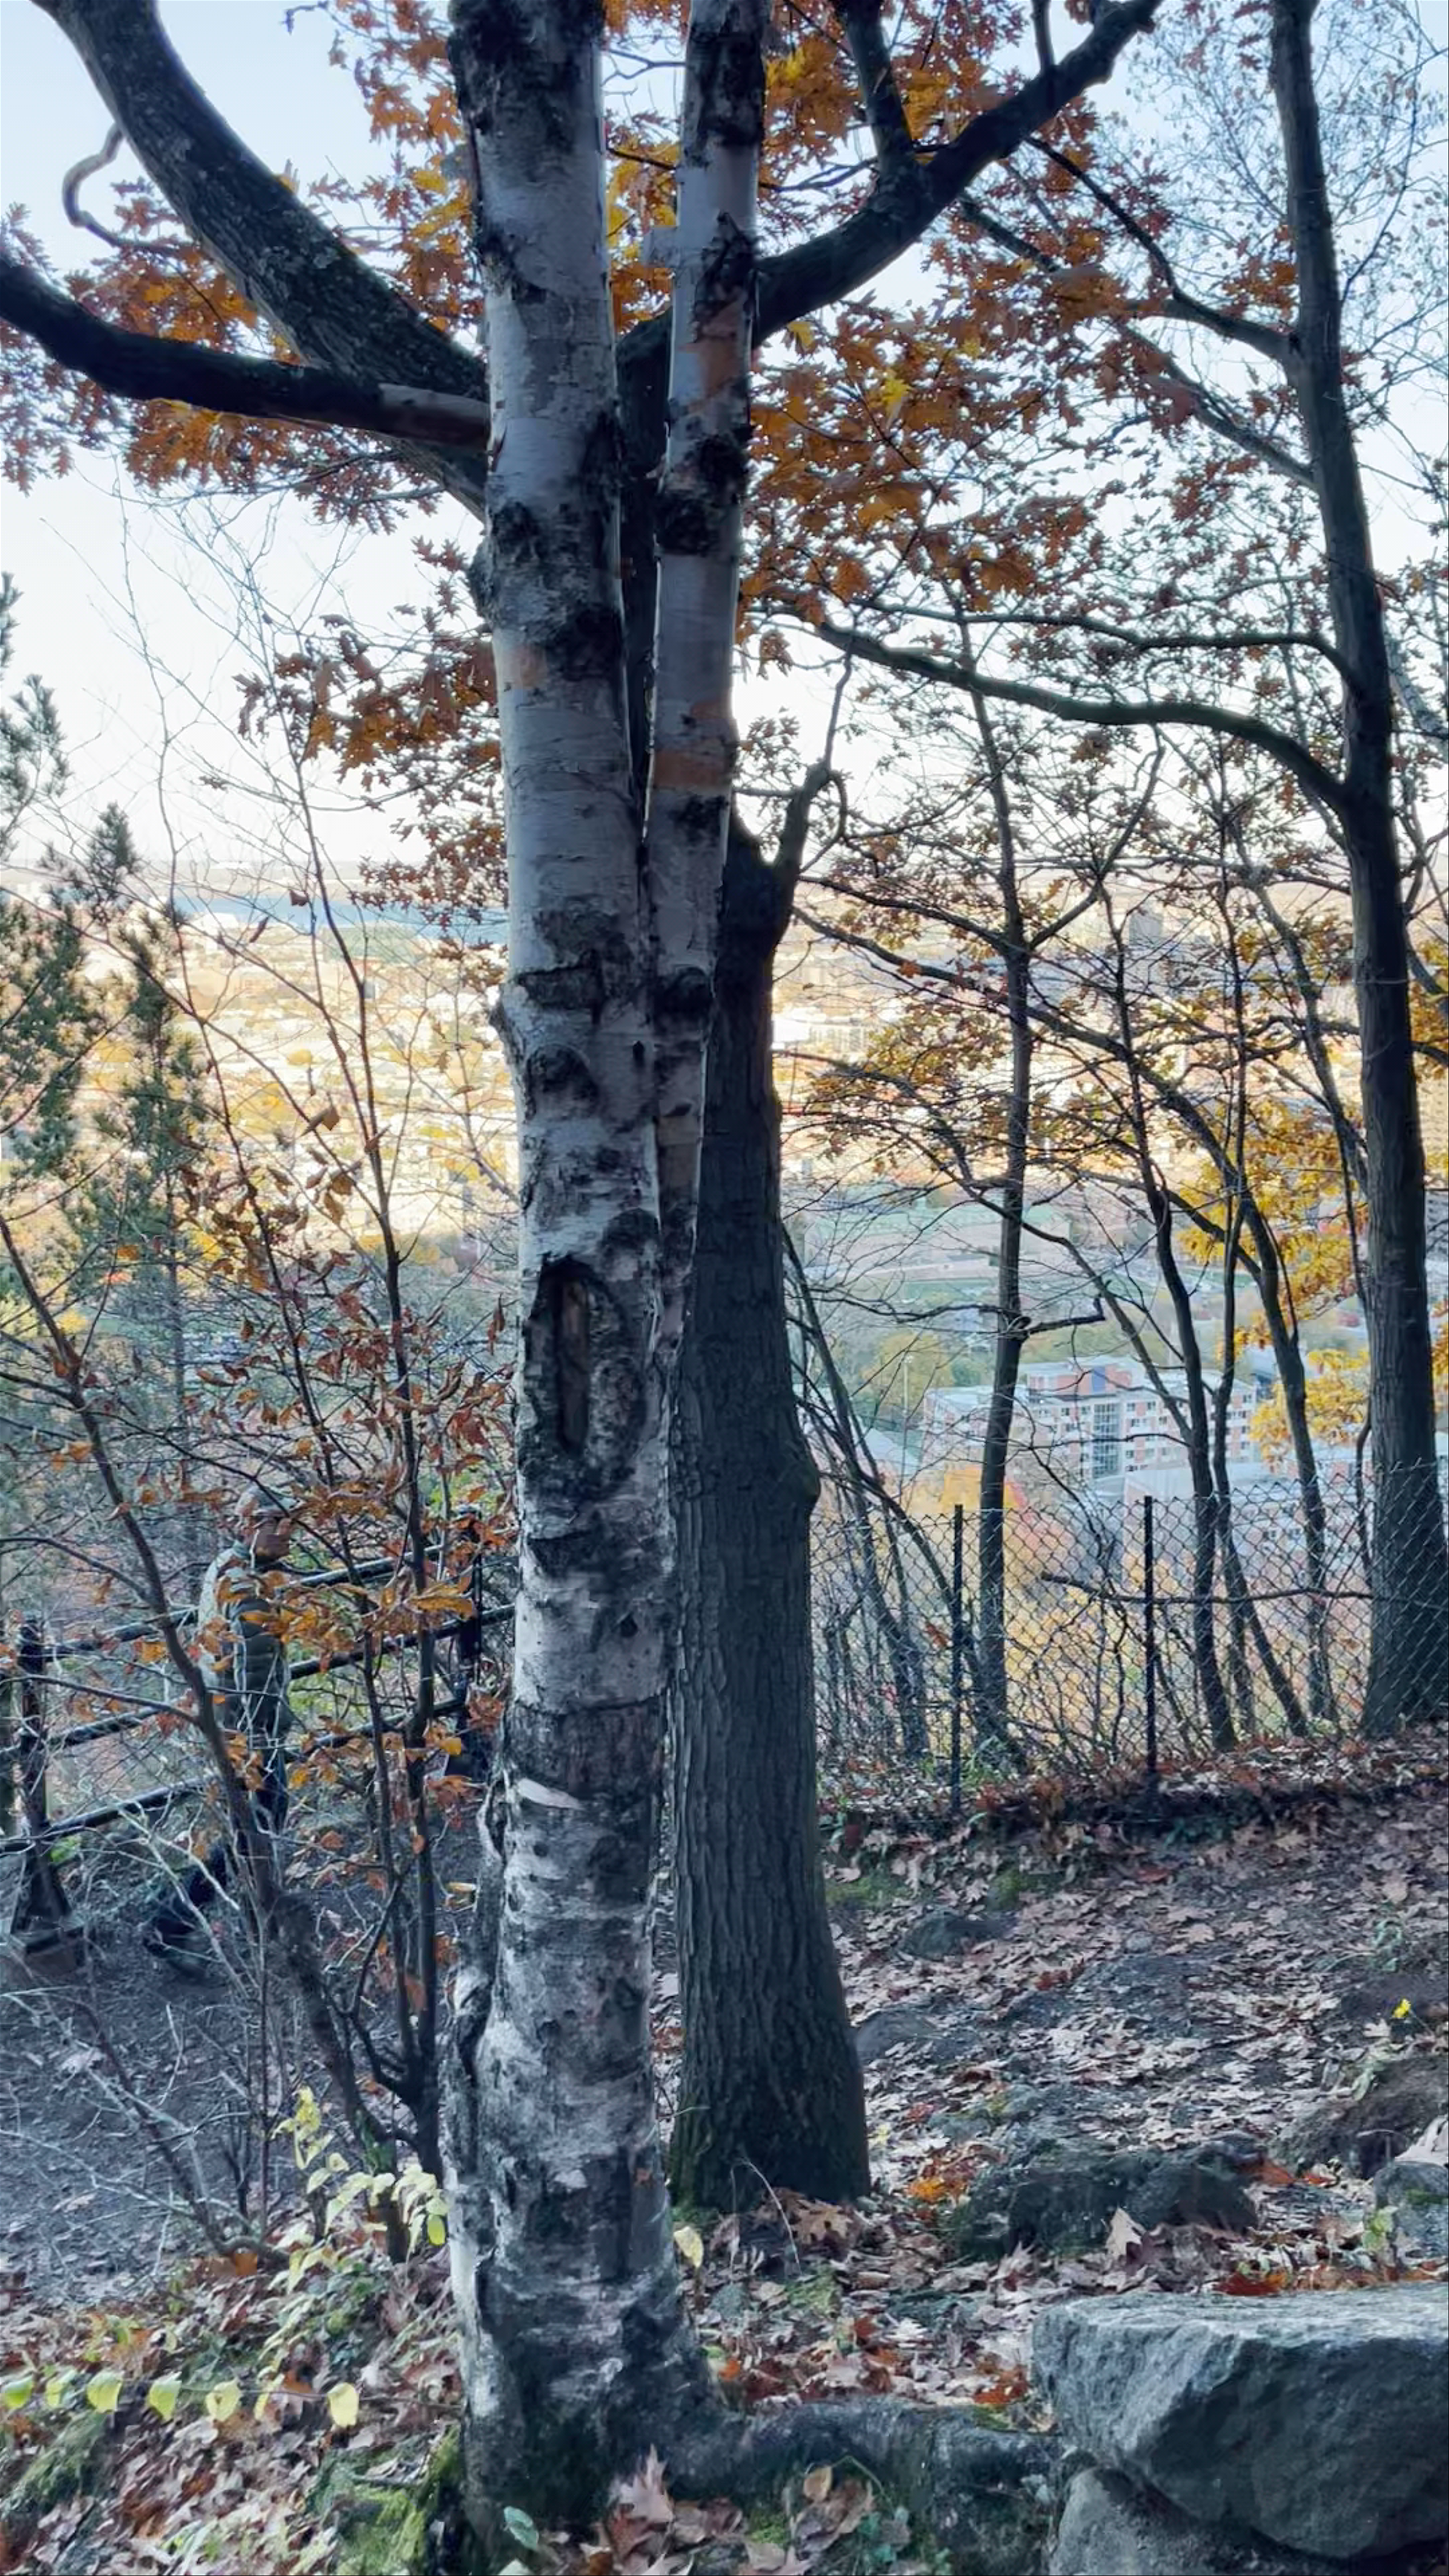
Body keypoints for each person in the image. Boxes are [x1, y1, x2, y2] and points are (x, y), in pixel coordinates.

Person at [143, 1489, 295, 1967]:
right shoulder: (246, 1584)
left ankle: (247, 1915)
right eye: (278, 1522)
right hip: (251, 1732)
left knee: (253, 1826)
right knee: (257, 1823)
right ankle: (169, 1924)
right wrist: (259, 1744)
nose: (288, 1532)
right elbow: (252, 1672)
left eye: (290, 1521)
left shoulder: (230, 1567)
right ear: (251, 1525)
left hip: (234, 1728)